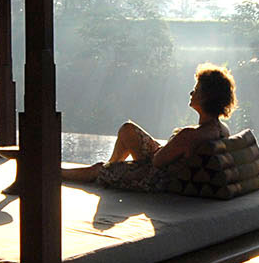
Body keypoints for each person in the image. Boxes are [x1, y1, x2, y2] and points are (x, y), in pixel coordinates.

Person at [63, 63, 235, 191]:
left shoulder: (190, 135)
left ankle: (66, 173)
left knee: (98, 169)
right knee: (128, 129)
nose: (191, 93)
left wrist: (170, 144)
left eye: (196, 90)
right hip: (165, 166)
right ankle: (113, 166)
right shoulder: (220, 129)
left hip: (157, 179)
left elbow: (157, 161)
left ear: (206, 97)